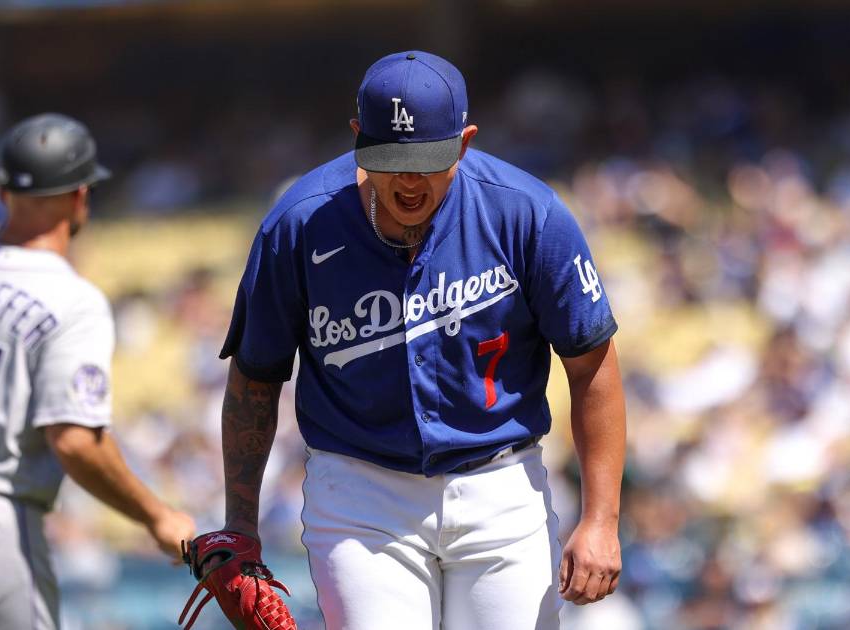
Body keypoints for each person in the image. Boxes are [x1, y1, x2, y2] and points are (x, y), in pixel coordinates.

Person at [211, 50, 626, 629]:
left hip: (502, 485)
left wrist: (601, 520)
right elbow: (254, 379)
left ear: (464, 142)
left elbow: (592, 367)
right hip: (360, 496)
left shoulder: (527, 214)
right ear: (358, 138)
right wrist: (241, 526)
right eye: (391, 159)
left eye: (427, 160)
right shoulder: (300, 222)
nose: (408, 179)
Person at [0, 113, 196, 629]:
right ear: (80, 196)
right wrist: (157, 516)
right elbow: (74, 441)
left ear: (3, 193)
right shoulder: (70, 298)